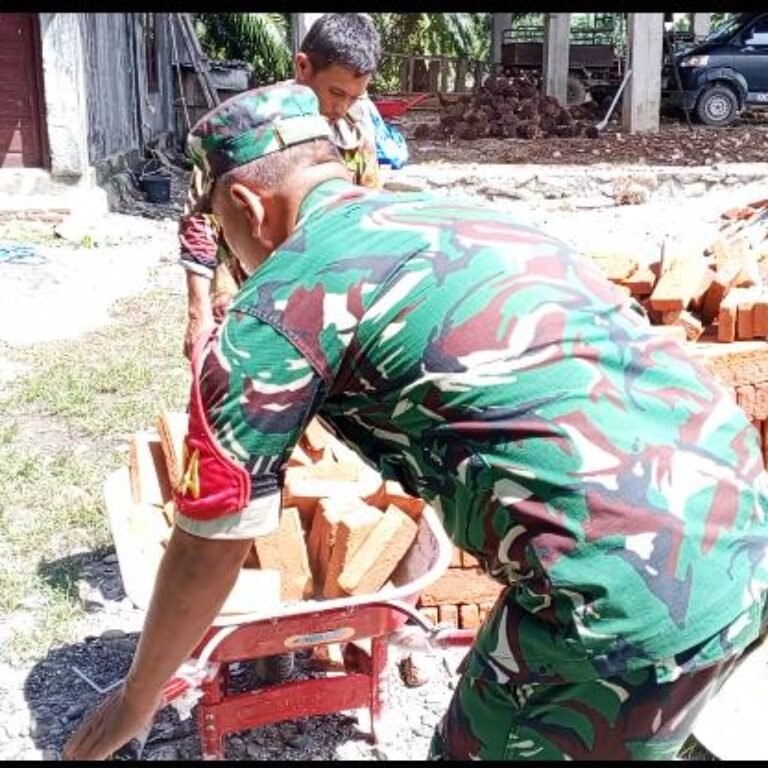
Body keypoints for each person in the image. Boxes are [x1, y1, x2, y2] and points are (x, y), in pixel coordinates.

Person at [64, 82, 768, 761]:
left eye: (223, 237)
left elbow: (210, 540)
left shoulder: (274, 315)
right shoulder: (454, 214)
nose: (233, 263)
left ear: (248, 206)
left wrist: (138, 695)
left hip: (625, 599)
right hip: (742, 528)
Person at [180, 12, 382, 359]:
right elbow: (199, 220)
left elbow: (365, 216)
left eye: (354, 97)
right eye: (336, 92)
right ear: (303, 67)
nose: (341, 107)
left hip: (319, 300)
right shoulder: (247, 126)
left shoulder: (354, 133)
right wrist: (199, 309)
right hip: (244, 293)